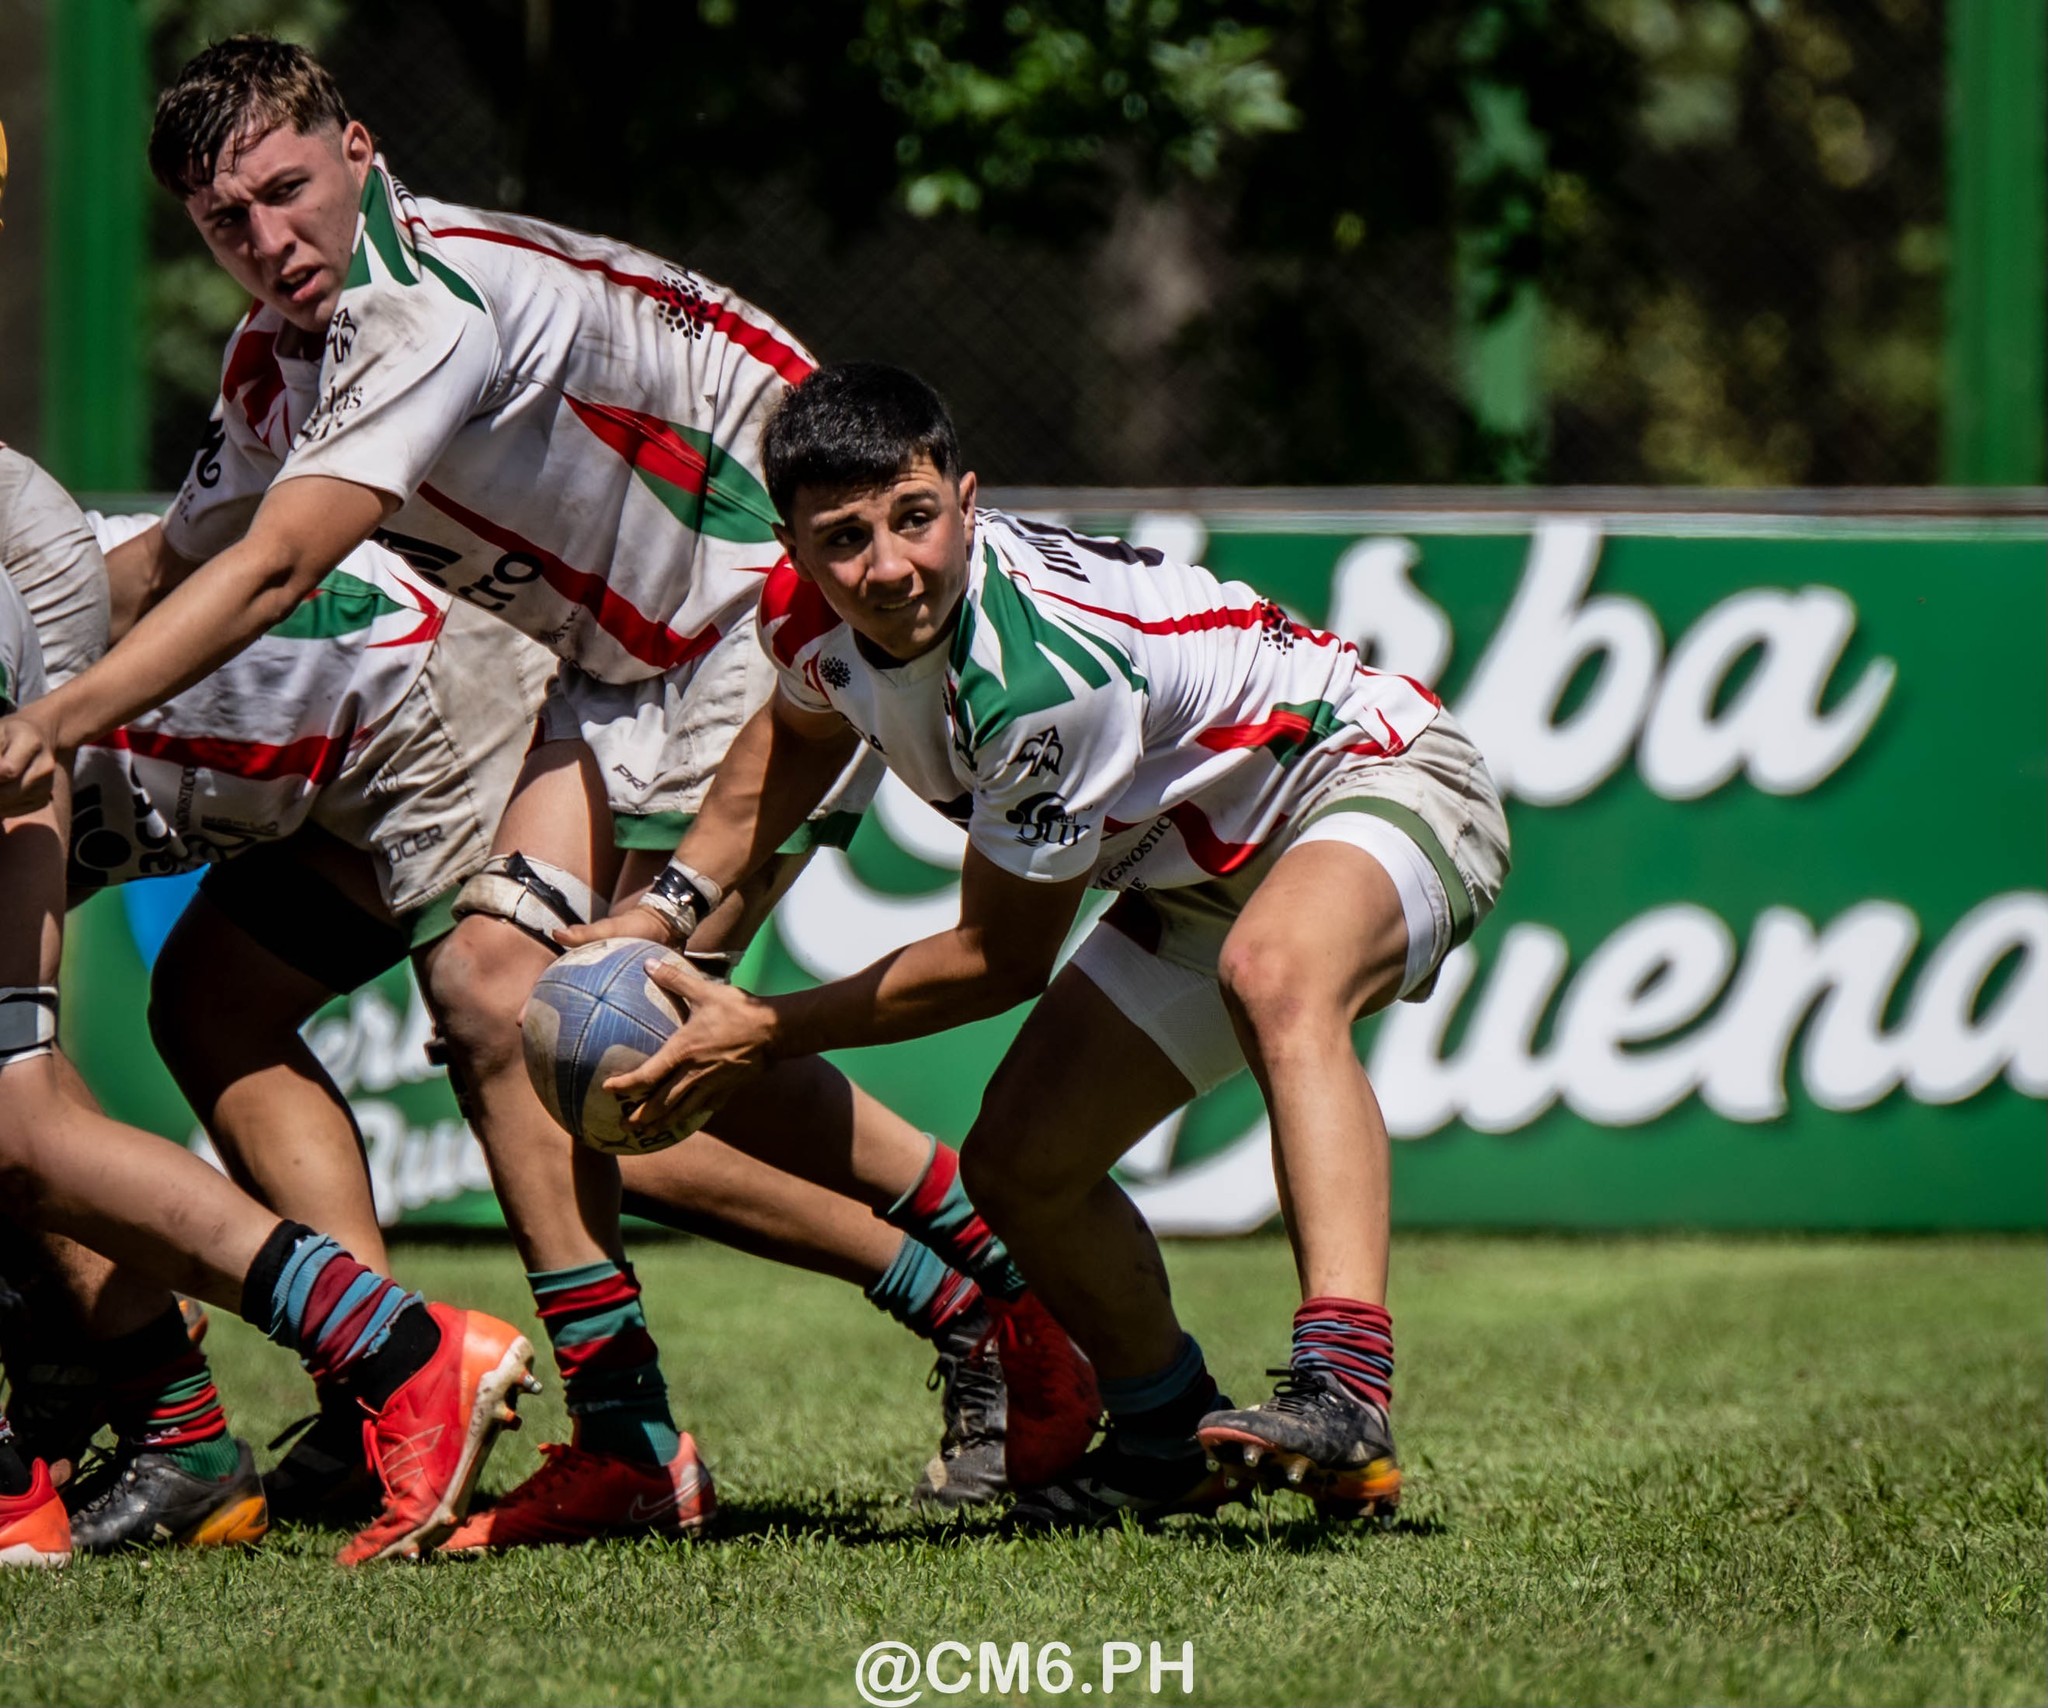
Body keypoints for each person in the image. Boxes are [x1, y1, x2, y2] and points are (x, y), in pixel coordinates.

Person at [0, 38, 1093, 1545]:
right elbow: (173, 559)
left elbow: (279, 562)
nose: (267, 242)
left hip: (760, 617)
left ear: (361, 151)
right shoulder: (280, 359)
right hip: (608, 662)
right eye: (224, 222)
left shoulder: (429, 302)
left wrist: (46, 716)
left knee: (630, 1030)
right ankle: (632, 1432)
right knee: (515, 1012)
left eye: (285, 191)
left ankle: (994, 1302)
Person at [584, 362, 1512, 1525]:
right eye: (844, 539)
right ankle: (1166, 1430)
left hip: (1372, 777)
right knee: (1019, 1162)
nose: (886, 568)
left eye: (915, 520)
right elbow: (797, 733)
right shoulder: (808, 612)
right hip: (1194, 877)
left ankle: (1344, 1391)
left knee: (1275, 972)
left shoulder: (1036, 680)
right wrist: (661, 906)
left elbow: (998, 961)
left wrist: (761, 1030)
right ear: (794, 546)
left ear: (967, 500)